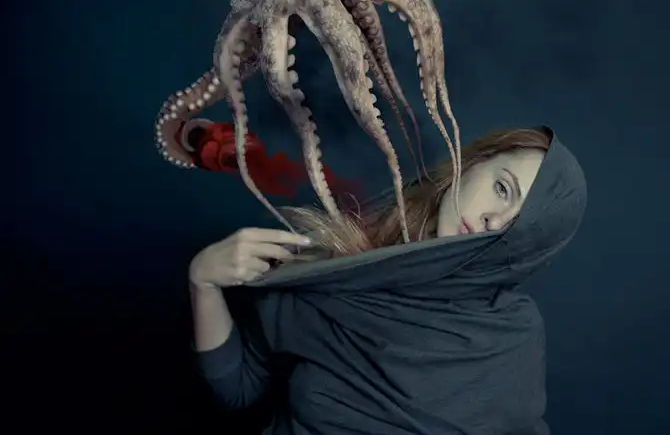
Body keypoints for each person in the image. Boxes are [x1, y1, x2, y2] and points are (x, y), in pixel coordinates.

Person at [189, 126, 587, 435]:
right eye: (502, 188)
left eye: (517, 227)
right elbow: (238, 388)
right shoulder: (341, 268)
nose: (494, 220)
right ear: (475, 162)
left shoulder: (511, 338)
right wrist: (203, 285)